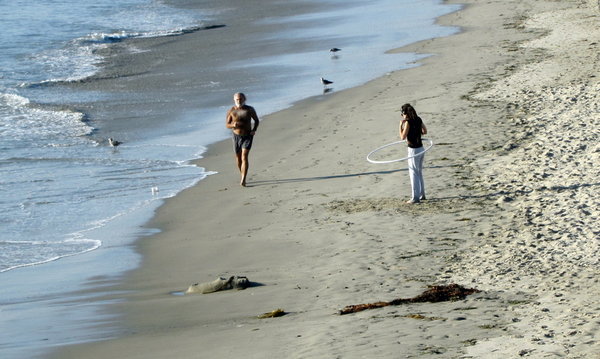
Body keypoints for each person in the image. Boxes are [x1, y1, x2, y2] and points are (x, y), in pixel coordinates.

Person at [225, 92, 259, 186]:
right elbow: (227, 125)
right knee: (238, 158)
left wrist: (254, 130)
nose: (239, 101)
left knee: (244, 156)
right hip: (236, 136)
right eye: (237, 99)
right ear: (234, 100)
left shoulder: (249, 109)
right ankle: (242, 173)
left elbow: (256, 120)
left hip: (248, 135)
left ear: (245, 99)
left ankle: (243, 179)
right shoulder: (231, 111)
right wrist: (232, 125)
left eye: (241, 99)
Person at [399, 103, 428, 204]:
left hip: (413, 150)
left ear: (405, 113)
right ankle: (422, 194)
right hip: (421, 148)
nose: (402, 116)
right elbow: (425, 131)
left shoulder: (408, 122)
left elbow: (402, 137)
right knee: (419, 172)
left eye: (402, 114)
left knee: (413, 173)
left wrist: (400, 126)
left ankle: (415, 198)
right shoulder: (418, 119)